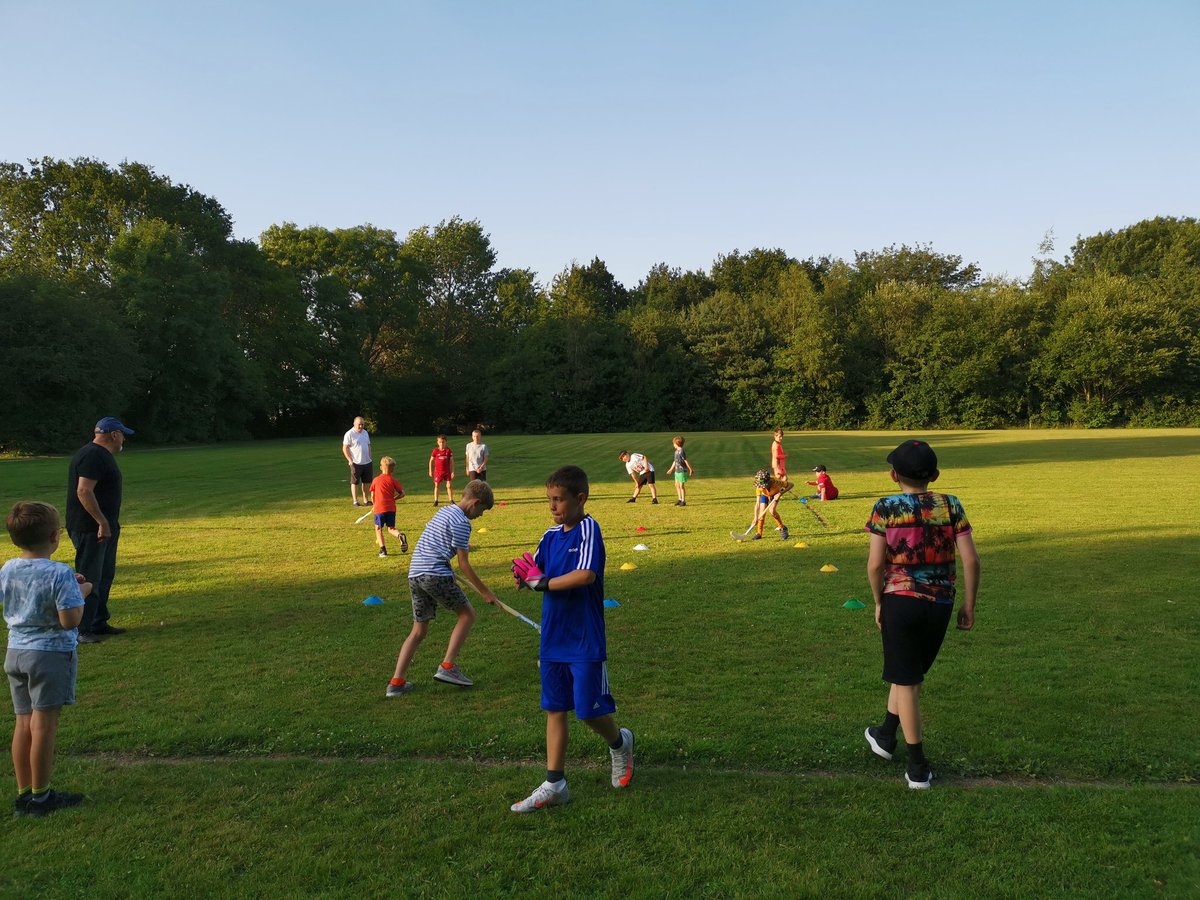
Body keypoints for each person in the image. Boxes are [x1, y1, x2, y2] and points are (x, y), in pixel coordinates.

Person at [509, 465, 634, 813]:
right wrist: (524, 577)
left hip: (584, 638)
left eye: (559, 500)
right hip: (553, 637)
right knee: (555, 708)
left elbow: (585, 575)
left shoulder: (589, 529)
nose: (553, 506)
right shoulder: (549, 536)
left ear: (580, 499)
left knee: (588, 709)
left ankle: (620, 743)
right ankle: (555, 784)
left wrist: (544, 583)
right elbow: (535, 570)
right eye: (549, 499)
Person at [863, 439, 980, 790]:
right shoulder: (951, 504)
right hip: (940, 604)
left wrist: (879, 601)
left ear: (893, 475)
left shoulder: (885, 507)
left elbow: (875, 565)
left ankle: (917, 767)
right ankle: (885, 735)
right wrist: (969, 604)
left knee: (908, 682)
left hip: (900, 601)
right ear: (935, 475)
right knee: (907, 673)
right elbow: (971, 560)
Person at [3, 501, 90, 817]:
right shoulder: (60, 572)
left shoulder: (7, 568)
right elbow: (70, 620)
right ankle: (41, 798)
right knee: (43, 726)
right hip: (48, 656)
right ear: (55, 536)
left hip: (15, 653)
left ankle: (24, 793)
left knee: (23, 722)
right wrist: (82, 592)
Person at [385, 479, 497, 696]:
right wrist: (485, 592)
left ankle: (396, 682)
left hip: (416, 574)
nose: (480, 515)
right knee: (467, 615)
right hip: (435, 574)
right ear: (475, 503)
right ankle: (448, 666)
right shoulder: (463, 523)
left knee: (419, 630)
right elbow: (464, 564)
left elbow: (432, 545)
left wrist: (443, 565)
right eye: (482, 510)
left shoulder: (444, 512)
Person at [66, 416, 133, 643]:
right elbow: (84, 491)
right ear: (114, 434)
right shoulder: (93, 455)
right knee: (90, 577)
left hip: (105, 526)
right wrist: (101, 522)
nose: (124, 439)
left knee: (104, 575)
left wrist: (108, 523)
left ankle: (98, 622)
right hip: (91, 528)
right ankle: (82, 629)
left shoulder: (100, 455)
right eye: (122, 434)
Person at [368, 457, 407, 558]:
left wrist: (374, 505)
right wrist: (394, 499)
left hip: (379, 508)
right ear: (392, 470)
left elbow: (372, 496)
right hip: (391, 508)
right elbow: (402, 494)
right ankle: (400, 536)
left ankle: (383, 550)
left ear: (381, 467)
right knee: (391, 528)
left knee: (378, 528)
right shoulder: (393, 480)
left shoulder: (376, 480)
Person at [750, 469, 792, 541]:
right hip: (764, 495)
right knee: (761, 515)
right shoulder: (759, 487)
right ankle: (759, 533)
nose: (761, 486)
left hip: (775, 494)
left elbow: (791, 484)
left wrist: (780, 493)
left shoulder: (776, 482)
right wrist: (755, 517)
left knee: (772, 511)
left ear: (768, 482)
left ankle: (783, 528)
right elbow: (757, 504)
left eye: (762, 485)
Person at [342, 416, 373, 507]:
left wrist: (370, 457)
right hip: (356, 463)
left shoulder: (365, 433)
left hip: (367, 462)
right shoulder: (349, 434)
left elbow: (368, 445)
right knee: (355, 482)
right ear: (354, 424)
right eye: (359, 424)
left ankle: (366, 500)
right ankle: (355, 501)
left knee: (367, 482)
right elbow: (345, 448)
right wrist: (350, 460)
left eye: (362, 424)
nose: (361, 426)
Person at [664, 436, 694, 506]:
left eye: (673, 443)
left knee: (681, 486)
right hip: (677, 471)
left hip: (682, 471)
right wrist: (671, 469)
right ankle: (679, 499)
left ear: (677, 444)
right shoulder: (676, 451)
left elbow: (685, 461)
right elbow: (675, 461)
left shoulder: (681, 451)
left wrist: (690, 469)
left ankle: (683, 501)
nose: (673, 445)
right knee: (676, 485)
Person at [428, 435, 455, 506]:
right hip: (438, 471)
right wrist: (430, 470)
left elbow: (452, 462)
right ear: (437, 442)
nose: (442, 444)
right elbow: (431, 461)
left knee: (449, 485)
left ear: (446, 442)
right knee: (437, 485)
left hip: (447, 471)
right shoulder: (435, 451)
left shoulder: (448, 451)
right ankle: (436, 500)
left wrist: (452, 471)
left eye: (443, 442)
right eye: (440, 442)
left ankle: (451, 500)